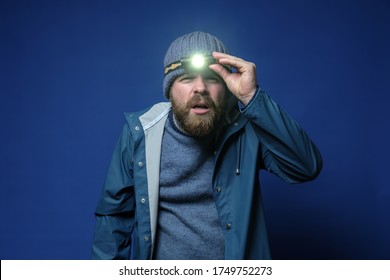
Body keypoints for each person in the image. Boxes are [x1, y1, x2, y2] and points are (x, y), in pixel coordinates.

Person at [91, 31, 322, 260]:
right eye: (187, 78)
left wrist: (252, 97)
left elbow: (305, 167)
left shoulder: (246, 129)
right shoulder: (141, 132)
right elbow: (113, 219)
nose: (200, 88)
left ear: (226, 88)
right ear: (169, 90)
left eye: (211, 78)